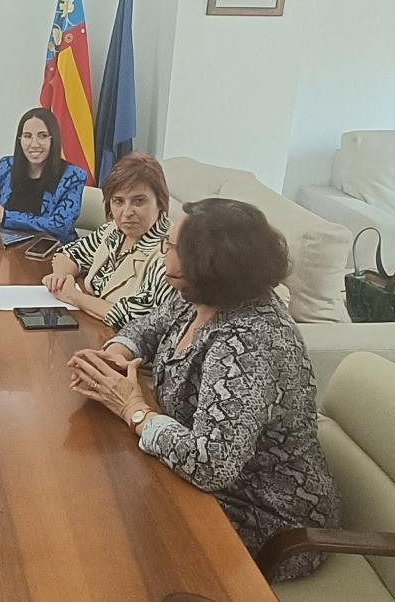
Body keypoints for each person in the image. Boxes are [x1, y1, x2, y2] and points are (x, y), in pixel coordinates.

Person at [66, 198, 340, 582]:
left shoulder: (250, 343)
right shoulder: (196, 296)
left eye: (172, 247)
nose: (163, 252)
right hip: (207, 487)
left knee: (108, 543)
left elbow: (213, 465)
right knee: (90, 498)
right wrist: (114, 354)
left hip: (265, 517)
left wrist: (135, 410)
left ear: (211, 263)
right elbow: (147, 327)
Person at [42, 153, 177, 329]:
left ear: (160, 202)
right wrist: (61, 276)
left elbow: (140, 318)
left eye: (138, 201)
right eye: (118, 201)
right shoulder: (113, 230)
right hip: (90, 326)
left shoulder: (169, 250)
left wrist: (74, 296)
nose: (127, 212)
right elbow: (71, 253)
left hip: (125, 344)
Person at [0, 107, 87, 244]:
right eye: (28, 136)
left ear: (54, 139)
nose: (34, 144)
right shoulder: (6, 166)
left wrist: (6, 217)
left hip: (52, 253)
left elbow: (60, 226)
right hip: (8, 247)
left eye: (42, 136)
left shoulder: (73, 176)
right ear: (20, 140)